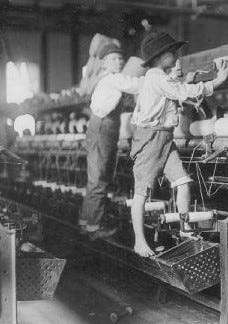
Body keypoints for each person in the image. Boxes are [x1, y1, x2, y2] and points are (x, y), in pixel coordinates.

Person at [130, 32, 228, 257]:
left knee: (183, 182)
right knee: (141, 193)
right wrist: (218, 81)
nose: (176, 58)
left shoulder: (160, 77)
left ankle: (185, 230)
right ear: (158, 57)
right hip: (151, 138)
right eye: (172, 53)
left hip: (165, 138)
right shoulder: (156, 76)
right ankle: (139, 241)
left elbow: (178, 88)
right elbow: (183, 92)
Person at [80, 42, 144, 240]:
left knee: (97, 179)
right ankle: (94, 228)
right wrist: (158, 78)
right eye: (114, 59)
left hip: (102, 129)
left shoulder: (105, 79)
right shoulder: (113, 79)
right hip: (102, 129)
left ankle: (87, 222)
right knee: (99, 179)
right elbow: (136, 85)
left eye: (120, 58)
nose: (119, 61)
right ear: (105, 64)